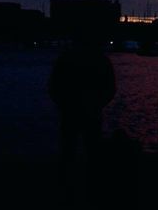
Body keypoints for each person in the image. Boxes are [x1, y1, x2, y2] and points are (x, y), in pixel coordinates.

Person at [48, 34, 116, 200]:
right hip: (92, 112)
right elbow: (110, 88)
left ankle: (65, 187)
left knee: (68, 150)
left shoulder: (66, 59)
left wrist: (62, 103)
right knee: (93, 151)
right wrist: (99, 103)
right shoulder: (102, 61)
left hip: (70, 111)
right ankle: (93, 189)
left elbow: (53, 85)